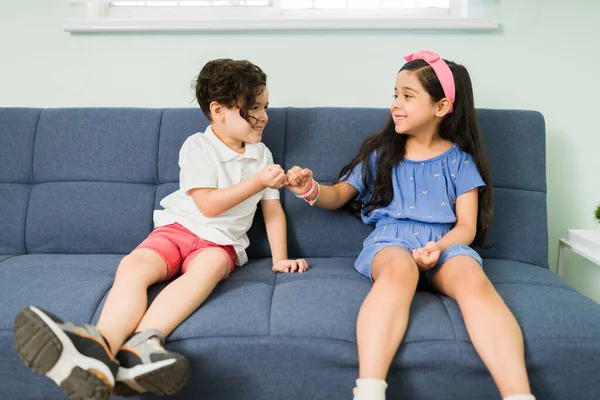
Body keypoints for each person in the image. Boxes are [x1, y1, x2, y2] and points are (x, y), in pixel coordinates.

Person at [13, 59, 308, 400]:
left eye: (265, 107)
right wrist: (257, 180)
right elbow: (208, 205)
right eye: (253, 109)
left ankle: (143, 344)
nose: (264, 117)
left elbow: (272, 209)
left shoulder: (262, 155)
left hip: (220, 244)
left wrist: (280, 258)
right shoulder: (197, 147)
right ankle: (100, 347)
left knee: (208, 269)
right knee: (134, 266)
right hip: (178, 228)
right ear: (219, 111)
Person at [284, 50, 534, 400]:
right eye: (395, 94)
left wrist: (439, 248)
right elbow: (338, 195)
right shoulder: (381, 154)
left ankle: (519, 395)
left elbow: (466, 226)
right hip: (392, 243)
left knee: (473, 279)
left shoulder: (460, 161)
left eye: (407, 95)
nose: (396, 104)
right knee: (400, 270)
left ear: (441, 107)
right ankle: (370, 390)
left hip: (445, 245)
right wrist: (308, 189)